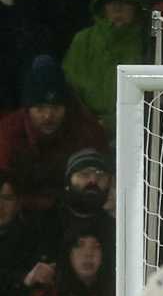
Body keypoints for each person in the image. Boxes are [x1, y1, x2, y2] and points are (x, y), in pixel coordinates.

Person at [0, 56, 108, 214]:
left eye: (56, 107)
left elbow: (105, 176)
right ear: (27, 109)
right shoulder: (7, 133)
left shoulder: (86, 129)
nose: (48, 116)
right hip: (17, 214)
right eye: (40, 108)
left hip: (73, 212)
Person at [62, 0, 148, 129]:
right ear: (101, 5)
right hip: (84, 131)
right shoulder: (83, 41)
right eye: (111, 1)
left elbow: (152, 99)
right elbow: (69, 91)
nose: (117, 8)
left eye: (125, 1)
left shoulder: (149, 43)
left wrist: (113, 123)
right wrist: (90, 125)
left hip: (136, 130)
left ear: (138, 5)